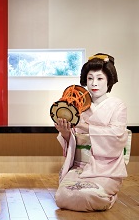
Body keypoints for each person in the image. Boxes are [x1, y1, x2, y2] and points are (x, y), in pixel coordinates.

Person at [54, 53, 128, 211]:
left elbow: (117, 135)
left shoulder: (117, 105)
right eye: (90, 78)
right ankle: (104, 195)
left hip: (106, 168)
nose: (94, 83)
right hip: (80, 166)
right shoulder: (79, 105)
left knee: (90, 196)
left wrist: (85, 127)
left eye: (100, 78)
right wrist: (66, 132)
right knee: (62, 197)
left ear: (109, 80)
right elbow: (72, 139)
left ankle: (109, 195)